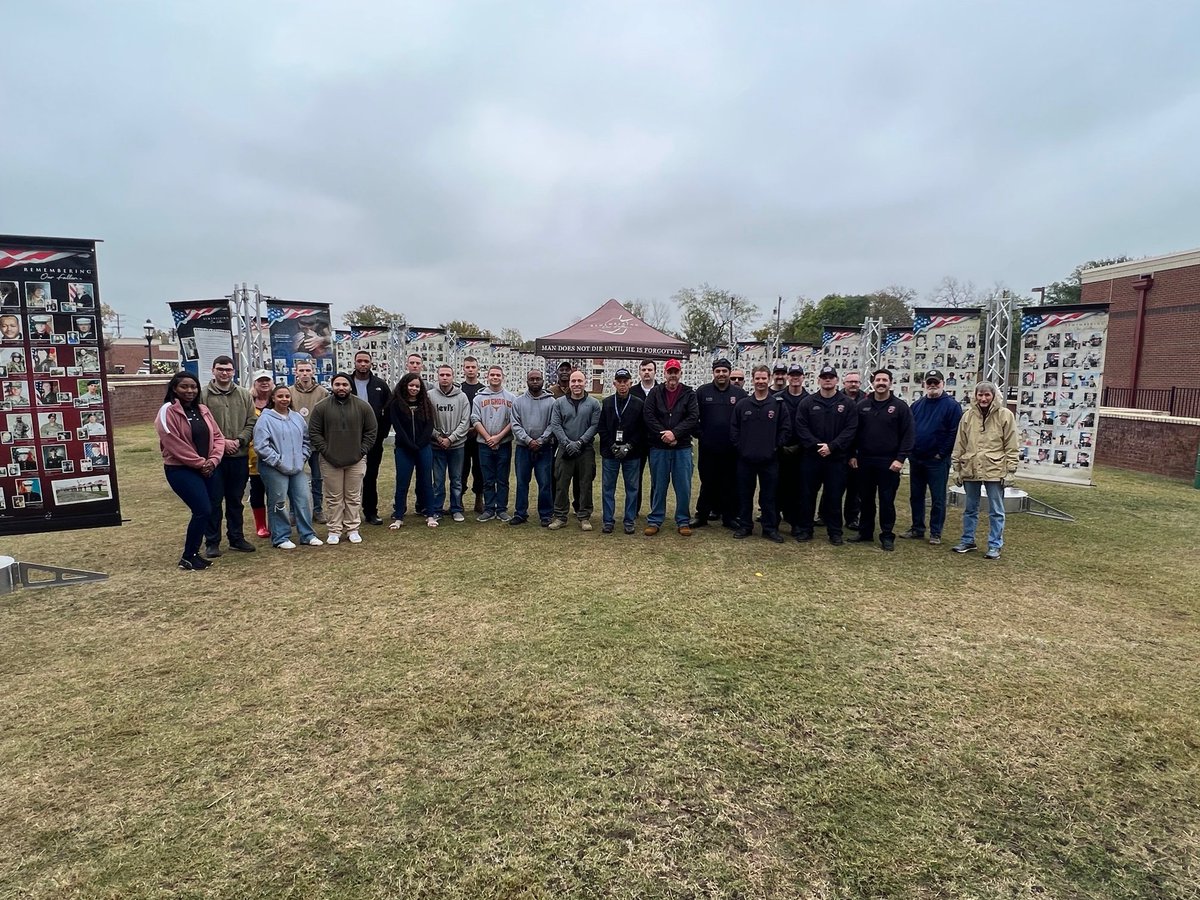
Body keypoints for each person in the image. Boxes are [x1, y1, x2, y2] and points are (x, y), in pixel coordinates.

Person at [155, 371, 225, 570]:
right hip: (181, 469)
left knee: (209, 509)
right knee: (202, 509)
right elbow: (172, 442)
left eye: (193, 387)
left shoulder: (202, 409)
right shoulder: (167, 411)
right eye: (184, 386)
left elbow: (218, 437)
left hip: (208, 467)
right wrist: (200, 463)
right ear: (174, 388)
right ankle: (188, 556)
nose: (190, 390)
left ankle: (194, 554)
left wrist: (213, 460)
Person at [951, 381, 1019, 559]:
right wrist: (956, 468)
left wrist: (1011, 470)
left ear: (994, 396)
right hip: (971, 466)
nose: (983, 398)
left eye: (987, 395)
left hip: (995, 468)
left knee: (996, 510)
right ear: (975, 396)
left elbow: (1012, 444)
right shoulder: (967, 416)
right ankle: (968, 540)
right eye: (980, 395)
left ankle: (995, 545)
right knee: (970, 508)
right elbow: (960, 443)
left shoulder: (1005, 415)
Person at [849, 369, 914, 551]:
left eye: (885, 380)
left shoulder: (900, 407)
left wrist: (900, 459)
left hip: (889, 462)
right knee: (865, 499)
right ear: (873, 383)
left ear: (890, 383)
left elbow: (908, 435)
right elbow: (853, 432)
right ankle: (865, 532)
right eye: (878, 380)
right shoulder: (862, 406)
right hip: (865, 460)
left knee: (886, 500)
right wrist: (852, 454)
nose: (881, 383)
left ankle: (887, 535)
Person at [309, 372, 377, 544]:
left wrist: (362, 451)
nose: (341, 388)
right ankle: (334, 530)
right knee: (334, 497)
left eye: (345, 385)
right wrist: (326, 451)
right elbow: (314, 432)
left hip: (356, 459)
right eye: (337, 384)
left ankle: (352, 528)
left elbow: (371, 431)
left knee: (353, 496)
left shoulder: (363, 406)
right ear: (332, 386)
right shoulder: (321, 407)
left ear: (350, 387)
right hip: (330, 460)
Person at [792, 365, 857, 545]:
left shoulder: (847, 403)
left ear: (837, 380)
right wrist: (816, 446)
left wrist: (832, 446)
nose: (827, 379)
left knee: (834, 496)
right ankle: (805, 529)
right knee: (807, 495)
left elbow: (850, 429)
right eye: (824, 377)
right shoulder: (807, 402)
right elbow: (801, 427)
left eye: (831, 377)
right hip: (812, 458)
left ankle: (835, 532)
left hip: (836, 458)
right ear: (818, 380)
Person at [200, 356, 257, 556]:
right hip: (214, 458)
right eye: (220, 369)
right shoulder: (203, 395)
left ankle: (236, 538)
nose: (224, 373)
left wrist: (240, 440)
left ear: (234, 371)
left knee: (235, 501)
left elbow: (251, 421)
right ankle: (212, 541)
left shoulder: (244, 395)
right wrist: (221, 442)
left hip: (239, 456)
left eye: (228, 369)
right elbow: (200, 424)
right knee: (214, 501)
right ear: (213, 370)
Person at [254, 384, 323, 549]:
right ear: (273, 398)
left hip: (296, 467)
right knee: (278, 501)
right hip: (274, 467)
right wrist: (278, 461)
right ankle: (280, 537)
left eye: (287, 396)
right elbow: (261, 446)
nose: (284, 399)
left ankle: (307, 534)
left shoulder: (297, 417)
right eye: (280, 396)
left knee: (303, 499)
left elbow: (306, 440)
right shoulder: (265, 419)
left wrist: (302, 457)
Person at [901, 370, 963, 546]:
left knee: (937, 498)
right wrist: (910, 452)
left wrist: (941, 453)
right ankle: (917, 528)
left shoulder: (952, 406)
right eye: (929, 382)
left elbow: (954, 432)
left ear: (943, 383)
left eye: (936, 382)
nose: (933, 385)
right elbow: (909, 429)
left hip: (937, 461)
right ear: (924, 384)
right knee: (916, 496)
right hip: (917, 458)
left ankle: (936, 532)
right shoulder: (917, 405)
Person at [643, 358, 700, 536]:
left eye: (676, 372)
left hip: (682, 447)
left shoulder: (689, 393)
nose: (673, 375)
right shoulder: (655, 392)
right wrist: (665, 435)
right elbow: (648, 415)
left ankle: (683, 520)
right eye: (670, 372)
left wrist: (675, 434)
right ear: (664, 373)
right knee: (658, 486)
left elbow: (693, 417)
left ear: (680, 373)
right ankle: (655, 520)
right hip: (659, 447)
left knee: (683, 486)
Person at [730, 365, 787, 542]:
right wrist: (741, 448)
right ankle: (745, 526)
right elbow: (734, 429)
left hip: (769, 459)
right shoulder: (743, 404)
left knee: (769, 496)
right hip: (746, 459)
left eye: (764, 378)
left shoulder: (778, 405)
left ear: (769, 379)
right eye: (757, 378)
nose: (761, 381)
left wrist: (775, 447)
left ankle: (769, 528)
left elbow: (785, 429)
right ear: (753, 379)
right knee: (745, 495)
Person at [693, 357, 746, 528]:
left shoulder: (740, 394)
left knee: (729, 483)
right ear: (713, 373)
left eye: (724, 371)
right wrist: (701, 435)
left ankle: (729, 518)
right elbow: (693, 416)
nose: (721, 374)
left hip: (731, 449)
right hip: (708, 448)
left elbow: (744, 421)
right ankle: (702, 516)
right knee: (707, 482)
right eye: (718, 371)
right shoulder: (702, 392)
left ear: (729, 373)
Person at [547, 369, 600, 530]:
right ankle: (560, 516)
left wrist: (580, 442)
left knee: (585, 484)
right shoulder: (559, 403)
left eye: (579, 381)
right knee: (561, 484)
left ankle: (584, 517)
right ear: (569, 383)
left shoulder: (594, 403)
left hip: (585, 450)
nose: (577, 384)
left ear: (585, 383)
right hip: (564, 449)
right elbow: (555, 425)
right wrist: (567, 443)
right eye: (573, 381)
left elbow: (594, 425)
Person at [598, 368, 646, 534]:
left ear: (630, 383)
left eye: (625, 381)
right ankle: (608, 521)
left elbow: (642, 429)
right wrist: (612, 445)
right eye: (619, 381)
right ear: (614, 383)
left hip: (632, 453)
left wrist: (628, 446)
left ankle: (629, 520)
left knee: (632, 488)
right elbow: (601, 427)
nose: (622, 385)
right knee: (608, 488)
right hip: (610, 453)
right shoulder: (607, 403)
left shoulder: (638, 403)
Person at [387, 372, 437, 529]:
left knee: (426, 481)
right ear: (405, 386)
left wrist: (421, 443)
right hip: (404, 448)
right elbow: (398, 427)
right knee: (402, 482)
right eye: (411, 385)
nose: (414, 388)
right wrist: (410, 444)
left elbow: (429, 426)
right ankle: (399, 516)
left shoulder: (426, 404)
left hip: (424, 448)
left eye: (417, 386)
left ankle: (430, 515)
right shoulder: (396, 404)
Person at [510, 369, 556, 526]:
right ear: (527, 381)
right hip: (523, 448)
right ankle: (520, 513)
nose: (535, 381)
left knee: (545, 483)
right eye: (532, 379)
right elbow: (515, 424)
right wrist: (528, 440)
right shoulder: (518, 401)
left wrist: (541, 440)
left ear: (543, 381)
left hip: (545, 449)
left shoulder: (552, 402)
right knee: (522, 482)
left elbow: (553, 424)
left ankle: (546, 514)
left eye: (538, 379)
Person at [470, 365, 516, 522]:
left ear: (503, 377)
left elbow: (513, 421)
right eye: (492, 375)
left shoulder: (511, 398)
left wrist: (498, 438)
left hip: (504, 444)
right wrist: (488, 437)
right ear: (487, 377)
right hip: (484, 444)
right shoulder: (479, 398)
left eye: (498, 375)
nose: (495, 377)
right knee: (488, 479)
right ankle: (489, 508)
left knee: (502, 479)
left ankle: (502, 509)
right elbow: (475, 419)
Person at [351, 351, 391, 525]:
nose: (363, 364)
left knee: (370, 476)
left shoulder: (380, 385)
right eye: (359, 361)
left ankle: (371, 512)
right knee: (350, 479)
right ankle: (349, 515)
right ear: (354, 363)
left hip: (373, 440)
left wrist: (382, 434)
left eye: (366, 361)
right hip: (350, 440)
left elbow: (388, 411)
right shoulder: (346, 383)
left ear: (371, 363)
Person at [430, 364, 472, 523]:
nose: (445, 378)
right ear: (438, 376)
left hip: (457, 446)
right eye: (442, 375)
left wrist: (451, 438)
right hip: (437, 445)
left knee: (456, 480)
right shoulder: (429, 396)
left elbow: (465, 421)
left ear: (453, 377)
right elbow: (426, 420)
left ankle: (456, 509)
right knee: (438, 480)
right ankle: (437, 510)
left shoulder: (462, 397)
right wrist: (438, 437)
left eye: (448, 375)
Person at [289, 360, 329, 523]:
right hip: (295, 443)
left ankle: (318, 510)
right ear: (296, 372)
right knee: (294, 477)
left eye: (307, 370)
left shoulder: (323, 392)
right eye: (301, 370)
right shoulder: (289, 392)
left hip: (316, 442)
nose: (305, 373)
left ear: (313, 372)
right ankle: (293, 511)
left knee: (317, 478)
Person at [776, 364, 808, 534]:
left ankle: (795, 522)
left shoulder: (810, 399)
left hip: (803, 450)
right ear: (788, 377)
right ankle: (773, 522)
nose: (795, 377)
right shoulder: (777, 398)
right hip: (780, 450)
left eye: (798, 375)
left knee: (798, 488)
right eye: (792, 375)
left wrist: (802, 445)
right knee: (777, 486)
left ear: (803, 377)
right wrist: (779, 445)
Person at [246, 371, 276, 538]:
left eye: (267, 380)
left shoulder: (277, 400)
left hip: (275, 454)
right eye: (260, 381)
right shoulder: (248, 402)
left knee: (275, 491)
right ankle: (261, 525)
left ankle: (275, 523)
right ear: (254, 383)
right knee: (257, 490)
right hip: (252, 455)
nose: (264, 383)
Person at [459, 356, 485, 514]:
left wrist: (477, 428)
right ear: (463, 369)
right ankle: (459, 499)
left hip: (479, 436)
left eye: (473, 367)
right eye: (467, 367)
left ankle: (479, 499)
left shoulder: (483, 390)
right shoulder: (458, 389)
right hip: (461, 437)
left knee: (479, 469)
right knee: (461, 470)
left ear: (478, 369)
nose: (470, 370)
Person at [840, 371, 864, 529]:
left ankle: (852, 517)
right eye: (850, 382)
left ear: (860, 384)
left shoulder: (866, 400)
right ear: (844, 383)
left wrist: (855, 453)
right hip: (839, 449)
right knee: (833, 486)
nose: (853, 384)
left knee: (855, 488)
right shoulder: (836, 399)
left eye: (856, 382)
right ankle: (824, 515)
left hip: (857, 451)